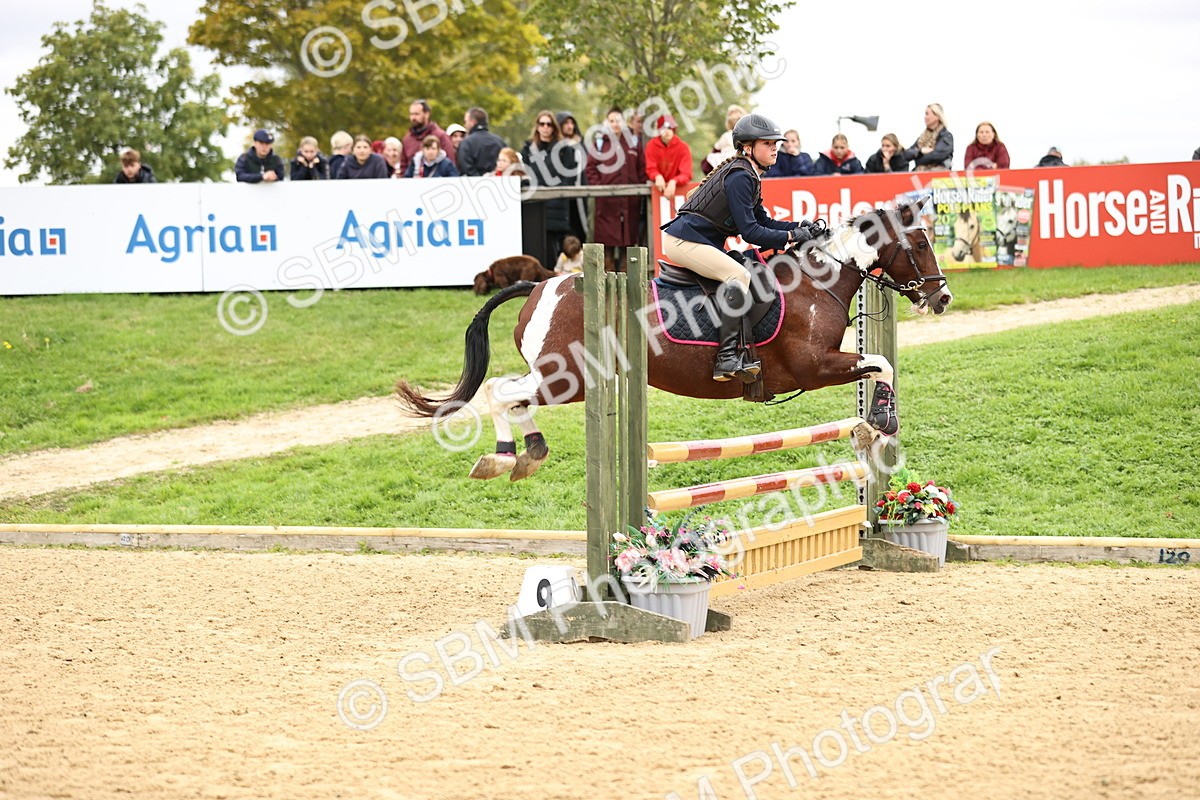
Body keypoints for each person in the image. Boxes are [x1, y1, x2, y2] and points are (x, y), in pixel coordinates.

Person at [660, 113, 820, 383]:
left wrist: (801, 226)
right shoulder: (740, 177)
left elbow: (763, 221)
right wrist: (792, 235)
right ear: (748, 147)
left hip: (697, 240)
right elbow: (751, 233)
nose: (775, 148)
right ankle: (726, 358)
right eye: (768, 143)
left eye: (775, 143)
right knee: (739, 276)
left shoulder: (749, 174)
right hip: (684, 241)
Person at [586, 106, 647, 270]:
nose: (615, 124)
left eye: (618, 120)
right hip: (606, 203)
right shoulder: (599, 144)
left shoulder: (634, 142)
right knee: (607, 247)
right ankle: (606, 284)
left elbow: (642, 169)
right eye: (611, 121)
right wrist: (600, 189)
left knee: (629, 243)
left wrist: (640, 192)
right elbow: (591, 168)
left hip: (630, 202)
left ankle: (630, 284)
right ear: (606, 123)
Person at [522, 110, 584, 266]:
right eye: (541, 124)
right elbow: (525, 173)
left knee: (557, 248)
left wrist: (557, 189)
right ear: (537, 127)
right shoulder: (528, 149)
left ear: (554, 127)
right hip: (534, 204)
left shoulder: (564, 149)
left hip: (558, 204)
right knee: (536, 244)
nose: (545, 127)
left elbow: (570, 175)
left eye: (549, 124)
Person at [400, 99, 456, 176]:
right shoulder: (407, 140)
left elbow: (451, 164)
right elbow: (403, 166)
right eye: (411, 114)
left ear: (427, 114)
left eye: (416, 114)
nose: (413, 118)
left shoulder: (440, 136)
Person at [645, 114, 693, 198]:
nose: (667, 131)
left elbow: (686, 173)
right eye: (663, 128)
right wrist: (657, 176)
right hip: (656, 191)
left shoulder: (683, 147)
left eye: (670, 128)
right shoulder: (651, 145)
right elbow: (650, 168)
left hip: (679, 192)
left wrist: (674, 181)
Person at [456, 106, 508, 176]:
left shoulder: (466, 143)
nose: (465, 125)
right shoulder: (500, 142)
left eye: (466, 121)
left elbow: (465, 168)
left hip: (473, 185)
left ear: (472, 122)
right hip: (499, 183)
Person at [902, 103, 954, 172]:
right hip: (920, 173)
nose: (925, 117)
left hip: (938, 176)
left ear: (937, 116)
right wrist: (921, 151)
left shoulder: (946, 136)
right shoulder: (922, 138)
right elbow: (906, 155)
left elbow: (937, 156)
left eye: (927, 114)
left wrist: (918, 159)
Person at [702, 105, 747, 175]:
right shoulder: (748, 136)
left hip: (727, 165)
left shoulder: (727, 135)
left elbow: (715, 150)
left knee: (708, 161)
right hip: (740, 164)